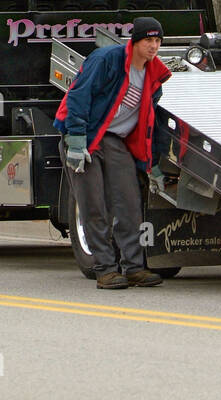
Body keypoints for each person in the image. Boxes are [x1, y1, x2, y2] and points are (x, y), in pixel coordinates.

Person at [55, 17, 172, 289]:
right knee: (94, 205)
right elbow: (78, 95)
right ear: (135, 41)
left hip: (115, 140)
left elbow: (150, 122)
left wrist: (153, 163)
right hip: (86, 137)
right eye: (148, 40)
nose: (153, 46)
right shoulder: (107, 59)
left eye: (157, 41)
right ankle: (105, 269)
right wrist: (75, 140)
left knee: (129, 203)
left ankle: (134, 268)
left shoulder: (154, 74)